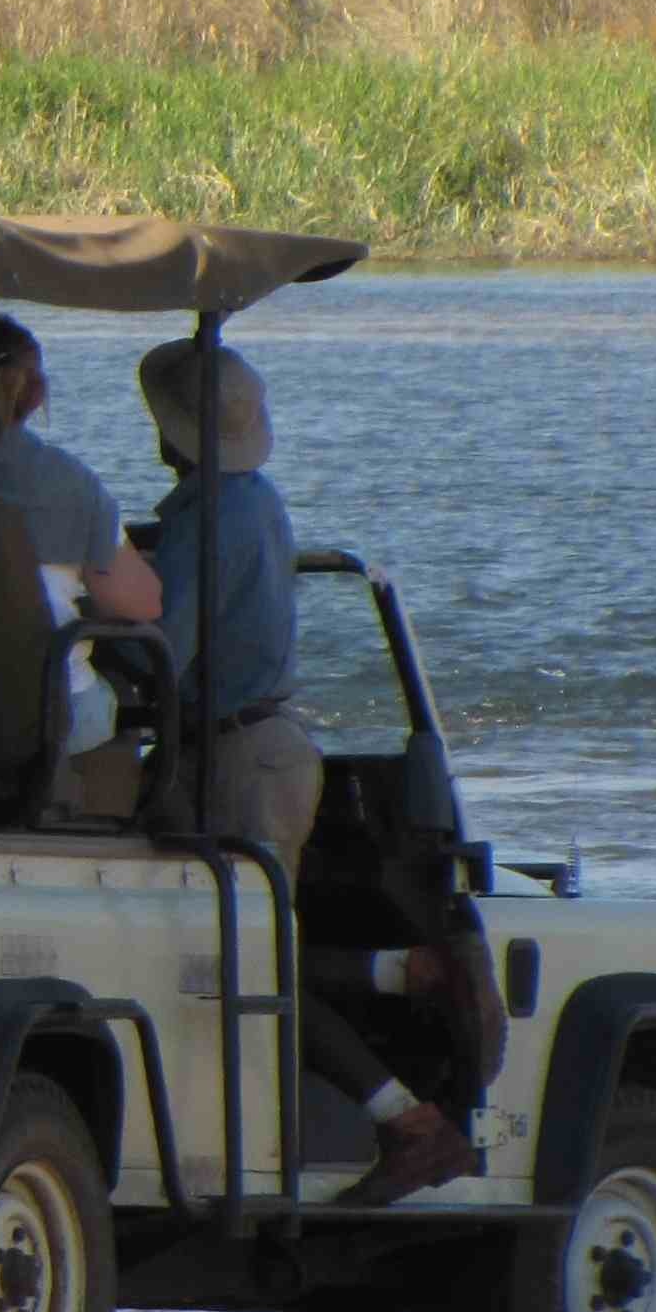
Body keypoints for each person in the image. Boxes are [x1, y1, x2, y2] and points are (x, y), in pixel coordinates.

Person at [139, 338, 489, 1206]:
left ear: (171, 432)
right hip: (261, 747)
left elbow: (158, 651)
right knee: (252, 948)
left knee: (251, 961)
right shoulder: (247, 500)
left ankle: (409, 1122)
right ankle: (396, 973)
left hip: (238, 753)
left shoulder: (209, 515)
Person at [0, 316, 160, 791]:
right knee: (113, 691)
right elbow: (143, 605)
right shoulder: (71, 482)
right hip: (52, 700)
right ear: (37, 394)